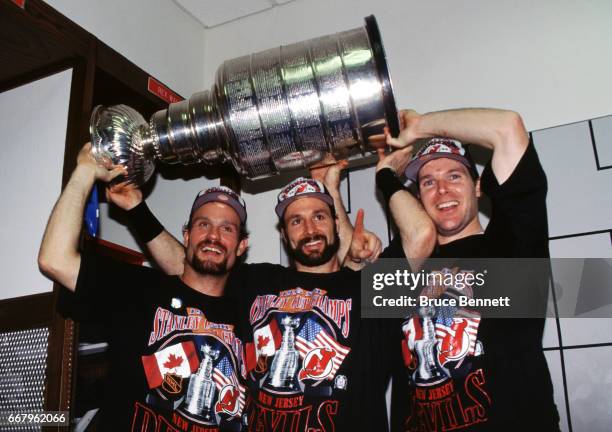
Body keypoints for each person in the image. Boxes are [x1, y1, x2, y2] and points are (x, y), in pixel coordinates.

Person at [118, 155, 436, 431]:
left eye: (319, 217)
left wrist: (386, 175)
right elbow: (191, 268)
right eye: (296, 221)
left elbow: (421, 235)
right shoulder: (257, 281)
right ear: (283, 234)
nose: (310, 230)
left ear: (336, 225)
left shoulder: (366, 289)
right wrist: (136, 209)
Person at [38, 143, 250, 431]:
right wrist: (84, 172)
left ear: (241, 246)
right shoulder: (140, 291)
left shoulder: (252, 310)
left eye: (226, 228)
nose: (212, 236)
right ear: (186, 235)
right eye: (203, 225)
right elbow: (55, 259)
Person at [375, 108, 560, 431]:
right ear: (418, 197)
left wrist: (419, 128)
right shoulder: (402, 270)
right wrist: (386, 176)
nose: (442, 190)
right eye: (428, 182)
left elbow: (507, 128)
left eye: (454, 176)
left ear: (477, 188)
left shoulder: (511, 245)